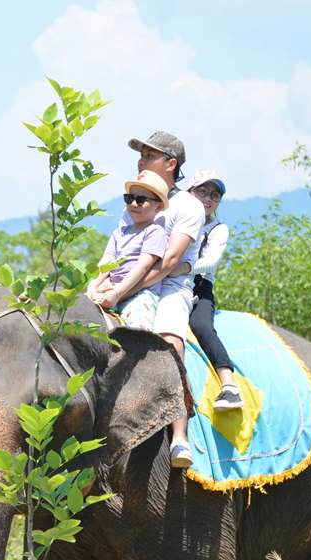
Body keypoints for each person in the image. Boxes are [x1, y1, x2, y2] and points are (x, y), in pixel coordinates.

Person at [117, 131, 207, 469]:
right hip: (131, 280)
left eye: (149, 155)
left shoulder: (188, 206)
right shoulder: (137, 199)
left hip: (171, 286)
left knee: (171, 339)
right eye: (140, 154)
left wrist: (125, 291)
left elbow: (170, 263)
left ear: (171, 164)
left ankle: (179, 434)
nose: (140, 160)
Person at [187, 170, 243, 411]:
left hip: (199, 284)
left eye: (215, 195)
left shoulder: (218, 229)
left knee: (201, 325)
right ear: (189, 193)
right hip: (168, 281)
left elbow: (210, 262)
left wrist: (176, 269)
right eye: (202, 191)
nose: (208, 198)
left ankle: (229, 385)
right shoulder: (175, 220)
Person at [87, 170, 169, 330]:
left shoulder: (154, 231)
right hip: (111, 287)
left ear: (158, 206)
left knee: (139, 329)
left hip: (140, 293)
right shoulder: (119, 233)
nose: (133, 204)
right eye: (129, 198)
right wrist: (94, 284)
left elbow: (143, 266)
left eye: (141, 200)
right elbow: (106, 263)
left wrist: (118, 293)